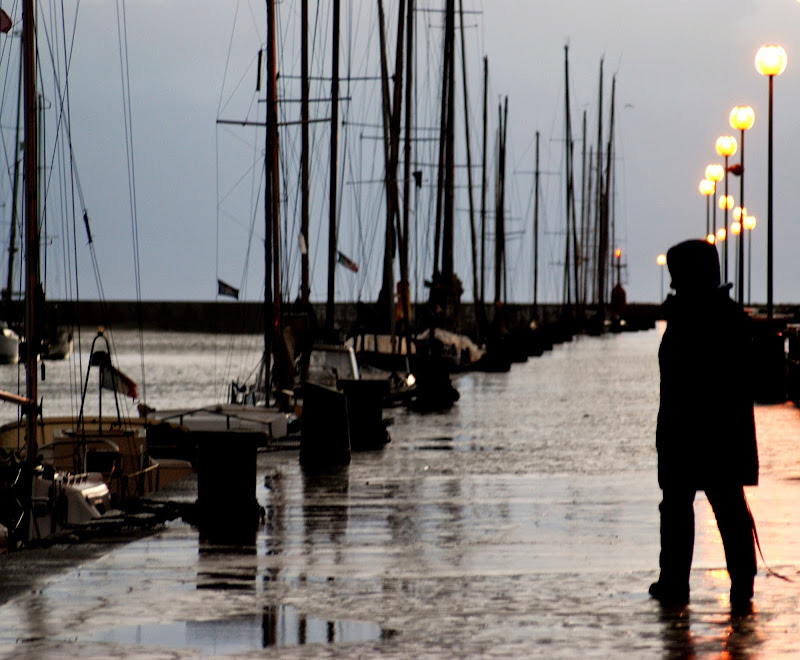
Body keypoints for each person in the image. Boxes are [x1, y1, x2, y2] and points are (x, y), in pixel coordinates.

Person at [649, 239, 758, 610]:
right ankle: (739, 585)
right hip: (719, 435)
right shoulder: (727, 316)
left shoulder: (692, 319)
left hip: (696, 434)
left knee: (692, 508)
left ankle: (678, 584)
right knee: (723, 508)